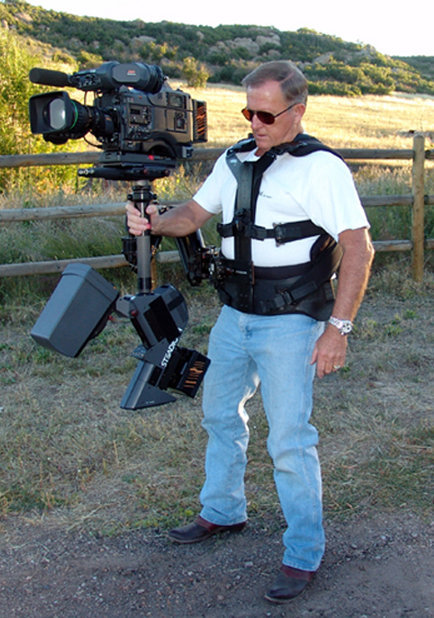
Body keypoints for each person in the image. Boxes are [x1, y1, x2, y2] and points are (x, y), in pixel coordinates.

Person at [126, 60, 374, 603]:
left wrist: (338, 329)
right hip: (235, 317)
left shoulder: (321, 169)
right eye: (248, 111)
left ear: (297, 112)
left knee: (289, 438)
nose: (255, 122)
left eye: (266, 113)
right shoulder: (236, 159)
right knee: (218, 413)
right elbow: (193, 213)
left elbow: (358, 249)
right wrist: (154, 222)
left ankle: (303, 552)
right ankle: (223, 511)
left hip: (291, 320)